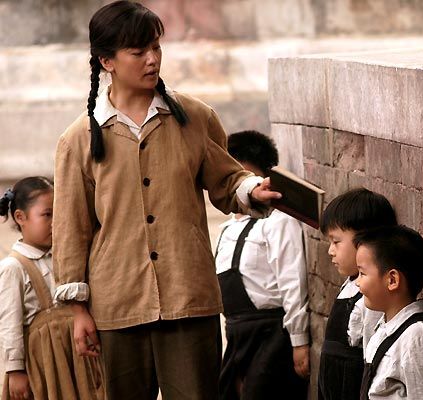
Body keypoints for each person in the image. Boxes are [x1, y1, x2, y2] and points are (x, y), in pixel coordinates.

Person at [51, 2, 279, 399]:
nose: (152, 59)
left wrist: (250, 188)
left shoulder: (194, 116)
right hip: (116, 303)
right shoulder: (79, 139)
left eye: (156, 47)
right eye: (138, 52)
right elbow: (71, 228)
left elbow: (226, 180)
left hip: (188, 295)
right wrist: (79, 311)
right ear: (106, 60)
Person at [215, 130, 309, 400]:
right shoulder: (225, 230)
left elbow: (293, 282)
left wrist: (299, 341)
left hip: (272, 335)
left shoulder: (278, 221)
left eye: (248, 178)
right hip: (235, 334)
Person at [0, 177, 103, 400]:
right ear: (20, 217)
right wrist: (15, 370)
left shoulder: (66, 258)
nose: (56, 222)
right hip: (44, 364)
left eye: (59, 213)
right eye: (47, 215)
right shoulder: (13, 267)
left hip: (77, 359)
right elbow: (9, 325)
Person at [318, 188, 397, 400]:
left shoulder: (370, 295)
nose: (330, 250)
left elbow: (370, 357)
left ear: (365, 242)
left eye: (336, 241)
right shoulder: (350, 283)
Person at [354, 225, 423, 399]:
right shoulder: (384, 326)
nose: (357, 283)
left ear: (392, 280)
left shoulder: (417, 337)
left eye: (362, 273)